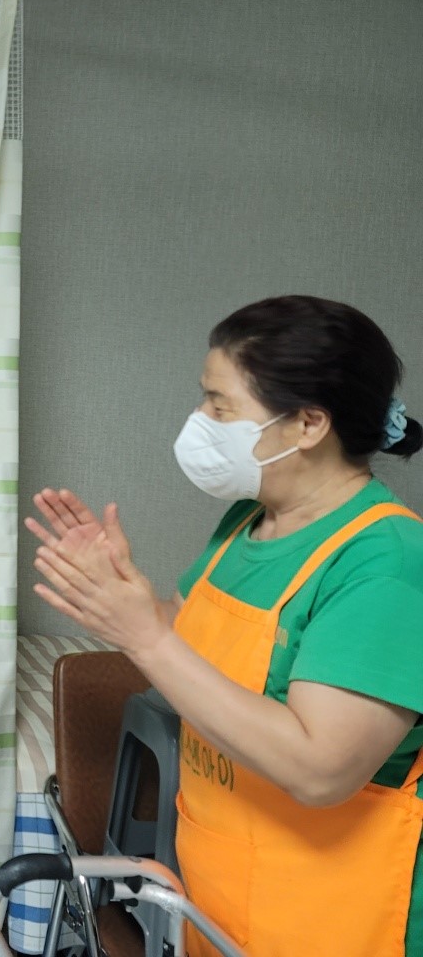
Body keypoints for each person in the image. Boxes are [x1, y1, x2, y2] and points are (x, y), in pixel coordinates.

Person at [26, 295, 423, 957]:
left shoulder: (387, 562)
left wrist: (145, 636)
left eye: (220, 405)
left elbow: (320, 769)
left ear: (308, 423)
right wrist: (122, 593)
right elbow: (190, 642)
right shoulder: (247, 522)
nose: (199, 422)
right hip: (219, 897)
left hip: (330, 919)